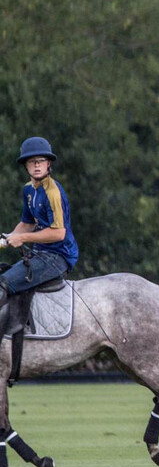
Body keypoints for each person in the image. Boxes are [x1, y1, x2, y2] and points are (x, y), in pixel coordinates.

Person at [1, 137, 79, 383]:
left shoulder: (53, 192)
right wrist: (5, 240)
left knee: (4, 283)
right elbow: (27, 222)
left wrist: (22, 238)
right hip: (40, 253)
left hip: (58, 256)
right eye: (32, 162)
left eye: (41, 161)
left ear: (48, 165)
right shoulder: (29, 190)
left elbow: (59, 233)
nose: (37, 165)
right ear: (25, 166)